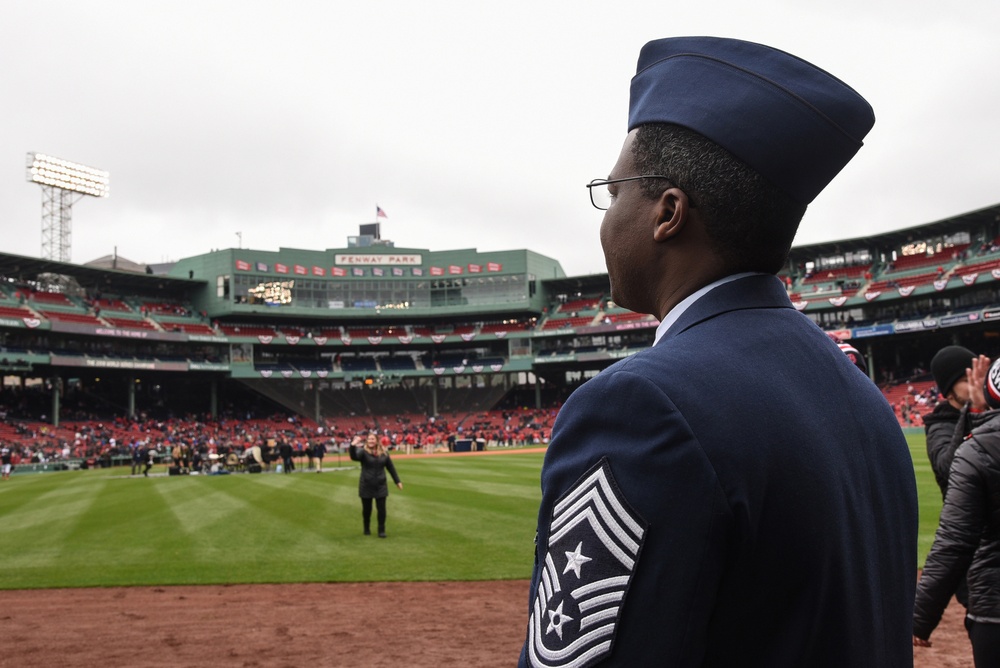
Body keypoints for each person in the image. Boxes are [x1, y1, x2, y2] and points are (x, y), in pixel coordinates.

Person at [520, 37, 917, 667]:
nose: (604, 216)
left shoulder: (642, 406)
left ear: (668, 212)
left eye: (613, 191)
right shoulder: (866, 403)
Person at [914, 358, 1000, 666]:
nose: (976, 381)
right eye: (967, 377)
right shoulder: (939, 425)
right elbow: (948, 468)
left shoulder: (979, 438)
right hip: (978, 561)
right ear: (949, 389)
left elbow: (953, 544)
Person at [348, 432, 402, 538]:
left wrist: (397, 481)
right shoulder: (363, 452)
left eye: (373, 439)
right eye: (369, 439)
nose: (371, 441)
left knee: (381, 509)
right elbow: (354, 456)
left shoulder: (384, 453)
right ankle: (366, 528)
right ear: (367, 441)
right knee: (367, 509)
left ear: (377, 440)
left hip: (380, 485)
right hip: (366, 484)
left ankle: (381, 530)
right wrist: (353, 445)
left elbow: (391, 468)